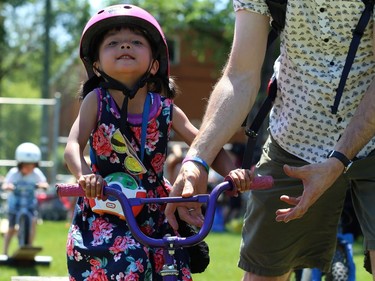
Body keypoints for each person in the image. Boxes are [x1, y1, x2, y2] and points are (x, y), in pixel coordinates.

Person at [165, 1, 375, 280]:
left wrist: (337, 161)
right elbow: (240, 75)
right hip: (294, 140)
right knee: (262, 272)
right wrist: (196, 159)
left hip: (372, 138)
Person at [64, 4, 253, 280]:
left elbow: (206, 145)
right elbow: (72, 146)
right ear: (96, 64)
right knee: (125, 261)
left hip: (158, 210)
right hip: (107, 205)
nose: (125, 46)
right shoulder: (96, 101)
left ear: (154, 64)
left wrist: (232, 174)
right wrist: (86, 177)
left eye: (136, 42)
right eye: (113, 42)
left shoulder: (166, 109)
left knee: (173, 267)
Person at [1, 142, 48, 256]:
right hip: (15, 205)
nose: (29, 167)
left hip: (30, 204)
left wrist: (41, 185)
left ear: (35, 165)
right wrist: (9, 186)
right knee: (11, 228)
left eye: (31, 165)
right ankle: (5, 252)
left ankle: (29, 247)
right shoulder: (14, 173)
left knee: (32, 222)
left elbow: (45, 183)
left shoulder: (36, 173)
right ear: (20, 164)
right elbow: (5, 184)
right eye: (26, 165)